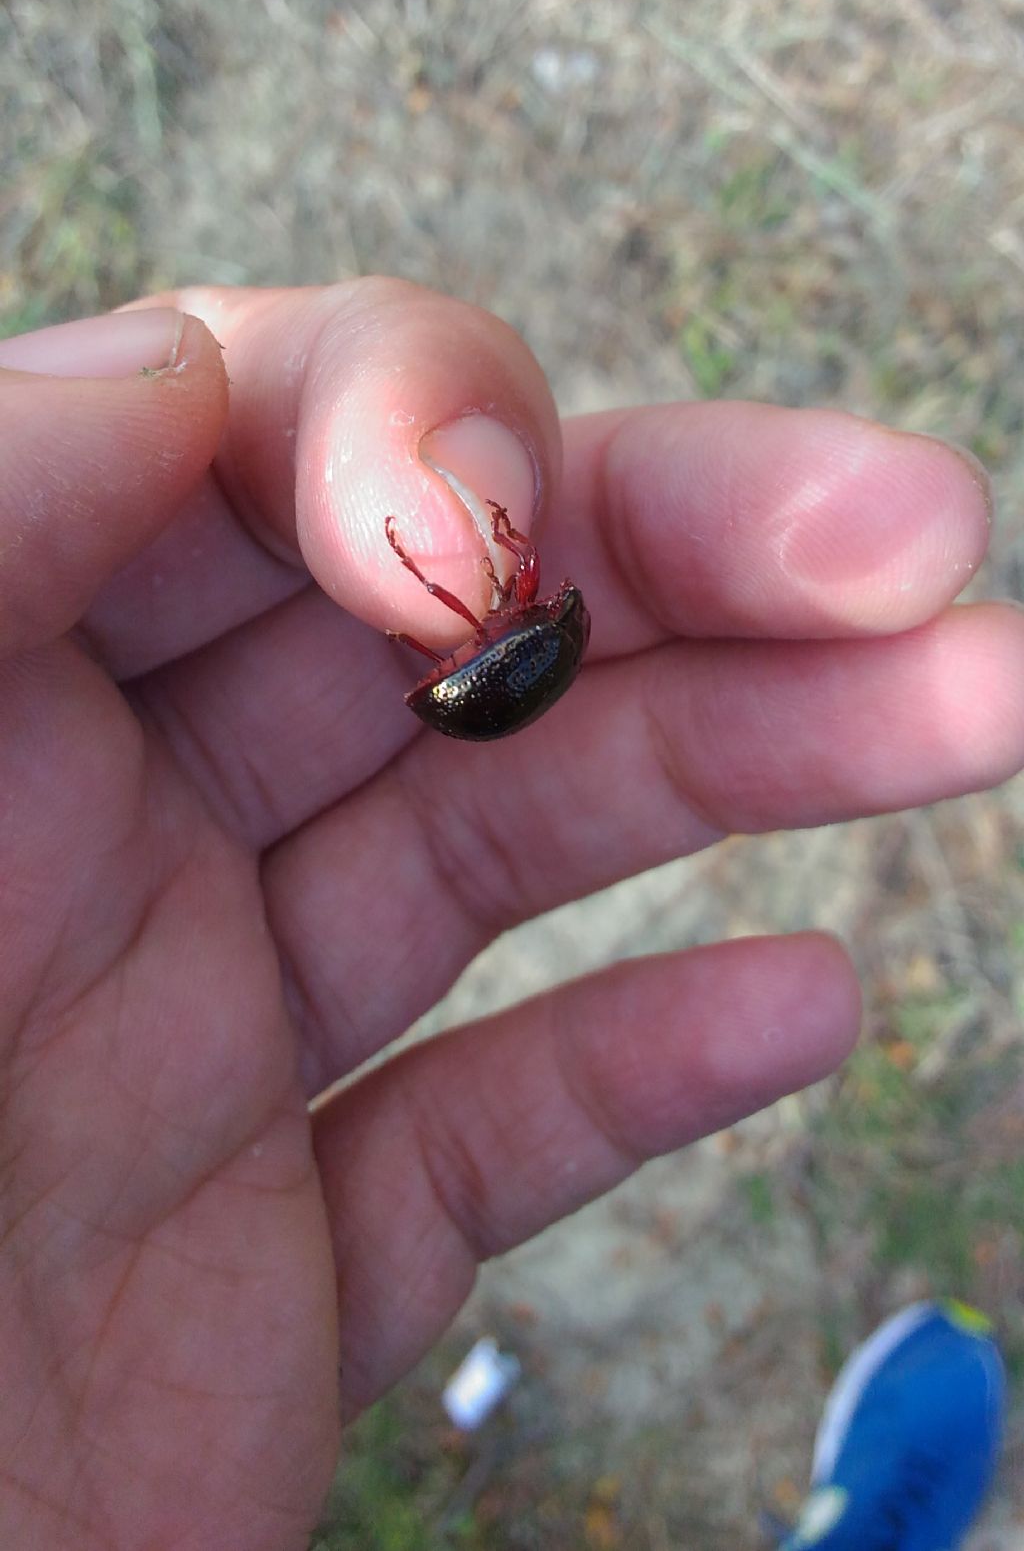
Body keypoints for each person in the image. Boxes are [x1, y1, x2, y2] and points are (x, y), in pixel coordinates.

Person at [0, 278, 1020, 1551]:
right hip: (478, 681)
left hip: (479, 681)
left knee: (433, 510)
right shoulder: (514, 635)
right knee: (432, 508)